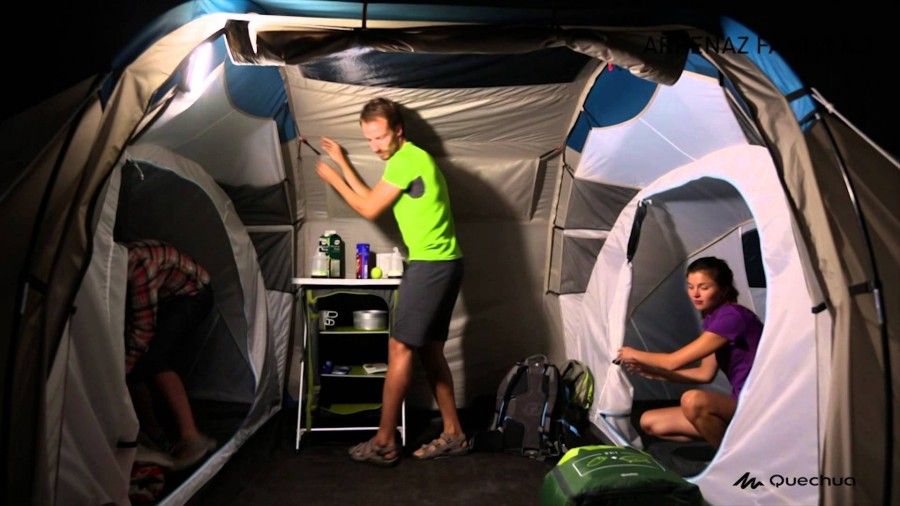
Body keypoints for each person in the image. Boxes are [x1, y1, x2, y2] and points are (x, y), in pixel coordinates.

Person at [314, 97, 467, 466]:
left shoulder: (407, 160)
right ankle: (454, 433)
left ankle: (384, 441)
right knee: (430, 351)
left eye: (380, 138)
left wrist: (332, 176)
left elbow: (367, 208)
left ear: (399, 131)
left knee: (399, 348)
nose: (376, 146)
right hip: (444, 263)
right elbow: (371, 196)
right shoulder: (405, 160)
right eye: (369, 140)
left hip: (432, 265)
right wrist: (343, 162)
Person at [616, 256, 763, 449]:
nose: (695, 294)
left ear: (723, 289)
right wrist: (657, 373)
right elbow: (705, 373)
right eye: (690, 286)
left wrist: (631, 352)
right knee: (649, 422)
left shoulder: (732, 317)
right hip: (739, 402)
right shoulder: (713, 319)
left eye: (704, 287)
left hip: (757, 405)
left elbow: (673, 361)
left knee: (692, 401)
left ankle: (735, 458)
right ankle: (729, 440)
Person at [125, 239, 217, 470]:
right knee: (138, 360)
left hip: (194, 293)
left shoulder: (138, 268)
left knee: (152, 358)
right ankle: (151, 433)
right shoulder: (117, 262)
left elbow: (143, 329)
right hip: (168, 291)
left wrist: (125, 367)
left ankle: (192, 437)